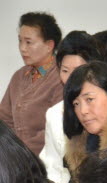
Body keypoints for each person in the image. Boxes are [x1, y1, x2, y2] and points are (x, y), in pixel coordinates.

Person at [40, 30, 101, 183]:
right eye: (65, 71)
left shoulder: (103, 110)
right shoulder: (54, 114)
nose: (70, 79)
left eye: (78, 71)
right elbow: (52, 167)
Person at [0, 12, 63, 154]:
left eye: (28, 42)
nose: (22, 48)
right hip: (14, 157)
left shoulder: (60, 77)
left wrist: (21, 153)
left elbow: (56, 130)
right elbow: (4, 119)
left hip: (46, 160)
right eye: (20, 41)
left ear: (49, 45)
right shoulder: (18, 76)